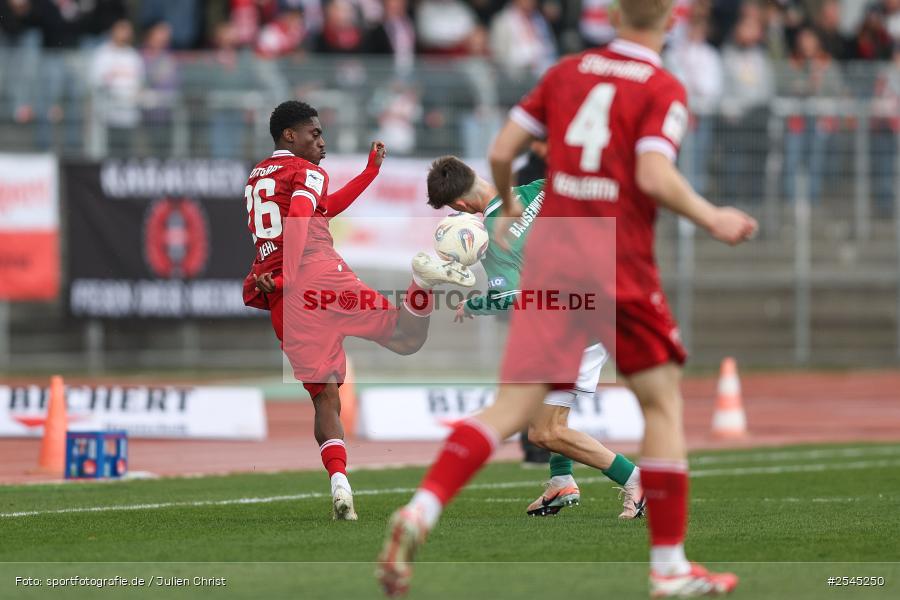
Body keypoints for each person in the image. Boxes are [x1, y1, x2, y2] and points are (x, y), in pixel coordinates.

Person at [377, 1, 757, 598]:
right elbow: (654, 177)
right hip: (611, 260)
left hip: (555, 280)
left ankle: (424, 508)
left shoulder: (565, 73)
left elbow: (503, 149)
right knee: (659, 404)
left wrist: (492, 238)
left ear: (609, 15)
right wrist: (713, 217)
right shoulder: (662, 86)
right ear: (671, 20)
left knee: (517, 415)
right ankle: (668, 568)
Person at [244, 101, 474, 521]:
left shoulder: (258, 176)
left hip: (285, 300)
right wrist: (291, 277)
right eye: (314, 134)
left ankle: (340, 486)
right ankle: (421, 282)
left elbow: (321, 208)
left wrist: (369, 173)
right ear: (289, 136)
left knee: (324, 398)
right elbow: (300, 217)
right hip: (316, 278)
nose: (322, 142)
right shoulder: (306, 171)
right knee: (407, 338)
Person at [424, 156, 644, 519]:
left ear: (460, 206)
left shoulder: (494, 236)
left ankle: (636, 480)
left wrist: (473, 303)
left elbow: (508, 298)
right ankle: (561, 483)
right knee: (540, 411)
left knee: (544, 432)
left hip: (573, 328)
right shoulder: (539, 190)